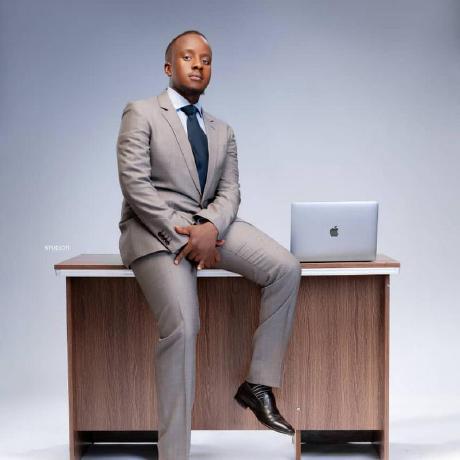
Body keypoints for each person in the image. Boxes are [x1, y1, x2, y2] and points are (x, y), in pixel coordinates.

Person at [116, 29, 302, 460]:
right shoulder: (141, 113)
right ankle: (174, 453)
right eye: (188, 57)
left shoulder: (223, 130)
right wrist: (183, 235)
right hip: (154, 229)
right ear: (169, 67)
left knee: (285, 268)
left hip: (209, 225)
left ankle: (258, 384)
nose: (198, 64)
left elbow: (230, 191)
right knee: (184, 327)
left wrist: (209, 227)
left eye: (206, 59)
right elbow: (135, 185)